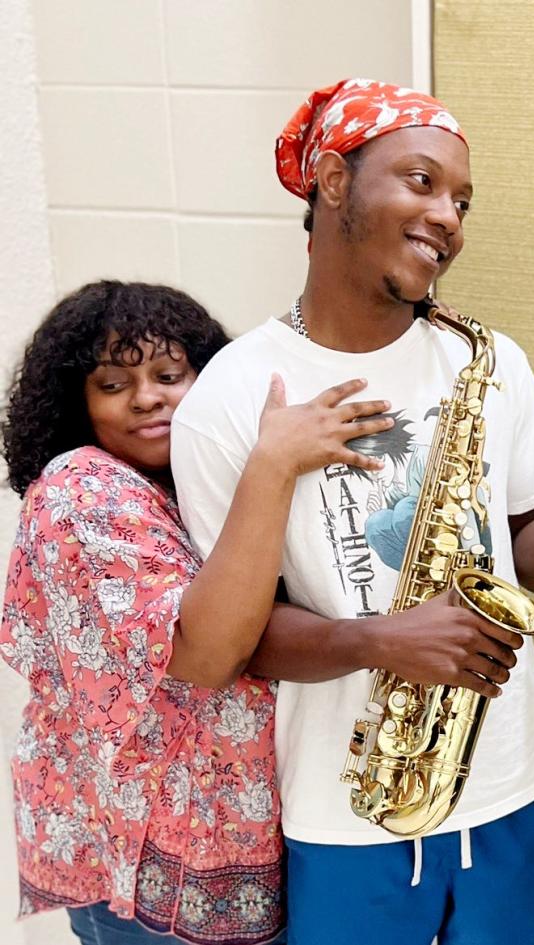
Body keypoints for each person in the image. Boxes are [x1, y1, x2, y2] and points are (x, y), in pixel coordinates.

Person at [169, 78, 534, 945]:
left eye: (461, 198)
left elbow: (521, 561)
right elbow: (228, 642)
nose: (450, 216)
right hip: (350, 813)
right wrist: (377, 639)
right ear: (335, 182)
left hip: (514, 785)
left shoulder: (488, 360)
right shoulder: (232, 397)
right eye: (422, 181)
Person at [1, 280, 394, 944]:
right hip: (148, 875)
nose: (148, 396)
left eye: (168, 374)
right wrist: (274, 459)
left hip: (244, 851)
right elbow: (208, 655)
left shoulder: (190, 484)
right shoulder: (82, 489)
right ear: (77, 400)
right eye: (114, 383)